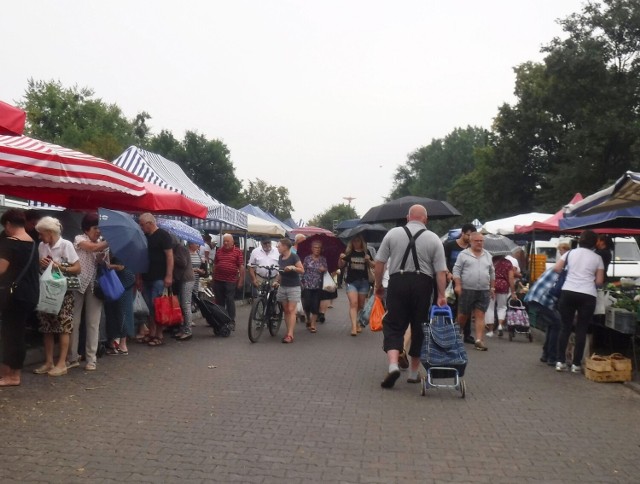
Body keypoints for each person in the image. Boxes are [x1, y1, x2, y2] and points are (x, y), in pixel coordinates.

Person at [373, 204, 447, 389]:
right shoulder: (434, 238)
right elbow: (440, 271)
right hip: (423, 284)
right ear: (425, 219)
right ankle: (414, 373)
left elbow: (379, 262)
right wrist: (441, 295)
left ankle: (392, 365)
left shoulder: (392, 234)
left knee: (393, 324)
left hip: (398, 281)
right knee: (419, 327)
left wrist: (378, 285)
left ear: (408, 217)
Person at [34, 216, 81, 377]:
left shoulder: (66, 245)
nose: (40, 237)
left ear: (49, 232)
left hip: (64, 292)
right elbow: (41, 266)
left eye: (41, 233)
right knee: (47, 326)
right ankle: (48, 362)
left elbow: (77, 268)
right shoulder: (42, 246)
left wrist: (59, 266)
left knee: (63, 327)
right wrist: (42, 264)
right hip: (47, 290)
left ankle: (62, 363)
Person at [554, 230, 604, 373]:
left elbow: (556, 268)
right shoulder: (597, 258)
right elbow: (599, 282)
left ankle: (560, 361)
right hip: (588, 294)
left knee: (565, 327)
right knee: (582, 329)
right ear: (594, 242)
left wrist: (570, 274)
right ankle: (576, 364)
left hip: (568, 291)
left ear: (580, 240)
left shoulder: (570, 253)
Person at [0, 209, 40, 387]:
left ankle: (13, 376)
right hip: (29, 293)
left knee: (12, 334)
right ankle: (9, 372)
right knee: (17, 333)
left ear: (8, 224)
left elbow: (1, 269)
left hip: (13, 295)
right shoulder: (32, 242)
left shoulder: (10, 243)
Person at [68, 213, 109, 371]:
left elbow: (104, 262)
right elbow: (92, 247)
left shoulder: (102, 243)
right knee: (74, 321)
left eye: (99, 228)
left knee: (93, 323)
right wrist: (108, 242)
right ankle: (72, 356)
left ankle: (91, 358)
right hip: (78, 284)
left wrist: (103, 258)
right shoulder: (79, 239)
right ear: (86, 229)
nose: (98, 231)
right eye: (95, 228)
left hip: (94, 285)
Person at [453, 232, 495, 352]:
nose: (479, 243)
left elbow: (492, 272)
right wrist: (458, 285)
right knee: (462, 315)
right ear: (471, 241)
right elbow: (456, 270)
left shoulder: (487, 255)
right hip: (467, 289)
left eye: (481, 241)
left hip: (483, 290)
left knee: (480, 314)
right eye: (477, 241)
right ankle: (456, 336)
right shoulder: (463, 254)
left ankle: (479, 340)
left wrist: (492, 288)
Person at [138, 213, 174, 347]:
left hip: (159, 277)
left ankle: (159, 334)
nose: (141, 227)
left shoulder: (163, 235)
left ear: (149, 223)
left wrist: (169, 275)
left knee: (157, 306)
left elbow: (170, 256)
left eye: (142, 225)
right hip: (147, 276)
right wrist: (139, 277)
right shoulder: (145, 237)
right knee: (149, 307)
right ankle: (152, 332)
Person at [443, 223, 477, 344]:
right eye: (468, 235)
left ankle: (466, 334)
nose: (470, 238)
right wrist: (447, 273)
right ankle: (449, 331)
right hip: (451, 281)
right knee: (451, 306)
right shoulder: (449, 245)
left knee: (466, 307)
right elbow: (442, 261)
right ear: (462, 233)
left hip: (467, 282)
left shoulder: (471, 248)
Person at [524, 267, 561, 366]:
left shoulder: (556, 267)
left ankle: (546, 354)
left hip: (534, 297)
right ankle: (552, 357)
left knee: (551, 323)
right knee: (557, 323)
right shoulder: (565, 270)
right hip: (542, 299)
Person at [338, 234, 373, 336]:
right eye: (354, 241)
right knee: (354, 303)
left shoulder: (366, 253)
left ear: (361, 242)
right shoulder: (349, 253)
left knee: (361, 304)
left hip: (364, 282)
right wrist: (340, 258)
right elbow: (340, 265)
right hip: (351, 282)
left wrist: (368, 260)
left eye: (358, 241)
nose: (356, 243)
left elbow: (374, 265)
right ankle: (353, 326)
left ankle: (357, 321)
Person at [213, 233, 245, 330]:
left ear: (232, 242)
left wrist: (240, 281)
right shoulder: (219, 251)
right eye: (224, 241)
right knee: (219, 301)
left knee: (230, 300)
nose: (225, 243)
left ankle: (231, 320)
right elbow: (215, 264)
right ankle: (221, 320)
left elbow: (241, 267)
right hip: (218, 280)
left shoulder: (237, 252)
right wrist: (213, 278)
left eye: (227, 241)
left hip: (230, 280)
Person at [276, 237, 304, 343]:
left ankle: (290, 335)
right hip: (283, 286)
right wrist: (277, 281)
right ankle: (288, 331)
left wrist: (293, 267)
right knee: (286, 310)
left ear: (285, 247)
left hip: (294, 286)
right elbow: (281, 271)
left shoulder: (294, 256)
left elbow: (302, 270)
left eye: (279, 246)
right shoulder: (280, 257)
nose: (278, 248)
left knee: (292, 310)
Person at [485, 253, 516, 338]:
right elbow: (511, 278)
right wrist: (513, 292)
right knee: (502, 307)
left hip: (492, 285)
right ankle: (500, 325)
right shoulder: (508, 263)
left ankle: (490, 331)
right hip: (503, 285)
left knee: (490, 308)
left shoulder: (490, 261)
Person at [300, 240, 328, 333]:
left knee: (315, 305)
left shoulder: (323, 259)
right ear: (312, 249)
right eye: (315, 247)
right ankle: (308, 318)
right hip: (307, 284)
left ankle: (313, 324)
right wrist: (301, 281)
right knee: (307, 304)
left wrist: (323, 269)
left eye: (319, 248)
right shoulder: (307, 258)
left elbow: (326, 269)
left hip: (318, 285)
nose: (317, 249)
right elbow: (303, 269)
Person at [173, 238, 196, 341]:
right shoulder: (179, 248)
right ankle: (183, 328)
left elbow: (183, 263)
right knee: (183, 305)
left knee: (185, 304)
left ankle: (188, 330)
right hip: (184, 279)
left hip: (186, 279)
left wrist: (171, 257)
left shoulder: (180, 249)